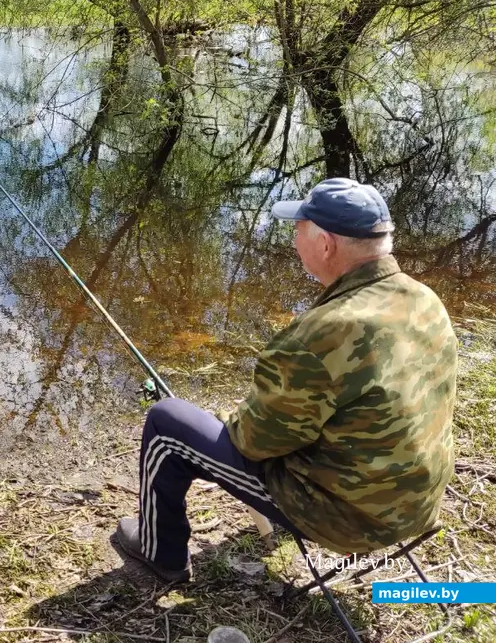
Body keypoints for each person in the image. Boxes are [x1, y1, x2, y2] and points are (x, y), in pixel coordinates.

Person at [112, 177, 458, 582]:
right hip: (419, 502)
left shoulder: (321, 333)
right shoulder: (424, 299)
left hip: (353, 519)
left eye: (299, 229)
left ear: (326, 245)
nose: (294, 238)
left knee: (166, 421)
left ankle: (161, 553)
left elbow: (253, 442)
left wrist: (231, 416)